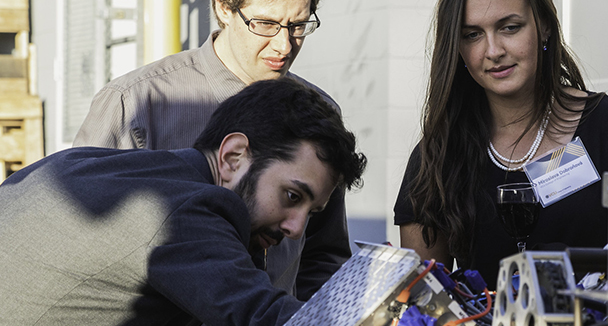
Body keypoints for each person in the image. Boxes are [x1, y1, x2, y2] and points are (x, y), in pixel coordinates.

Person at [0, 77, 367, 325]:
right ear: (233, 157)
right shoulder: (183, 210)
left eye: (311, 212)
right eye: (292, 196)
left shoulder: (82, 163)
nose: (296, 228)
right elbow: (266, 318)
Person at [393, 0, 608, 288]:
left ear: (544, 26)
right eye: (472, 35)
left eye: (510, 28)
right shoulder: (439, 153)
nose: (493, 51)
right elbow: (423, 296)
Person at [72, 0, 347, 300]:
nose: (284, 45)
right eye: (266, 24)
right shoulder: (136, 103)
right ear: (223, 7)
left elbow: (324, 255)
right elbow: (79, 238)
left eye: (298, 26)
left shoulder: (320, 115)